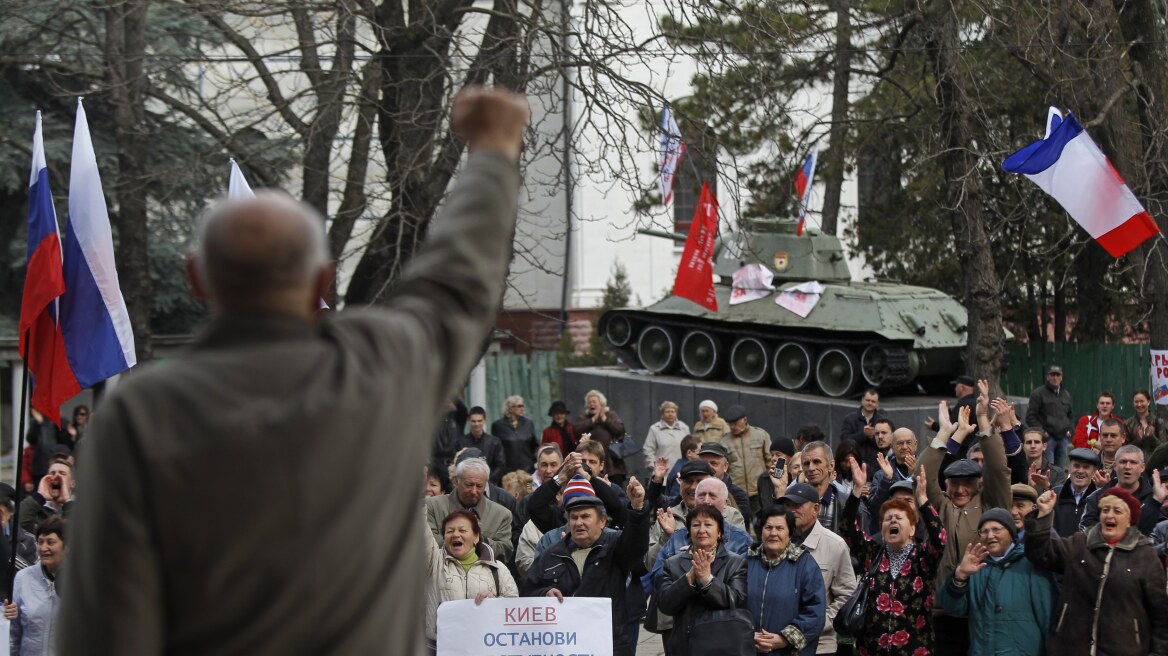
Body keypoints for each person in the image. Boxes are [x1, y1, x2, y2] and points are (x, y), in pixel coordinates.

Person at [58, 87, 529, 656]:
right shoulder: (380, 369)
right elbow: (457, 283)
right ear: (321, 281)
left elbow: (106, 627)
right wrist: (494, 153)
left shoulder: (140, 416)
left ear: (197, 280)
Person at [919, 388, 1013, 656]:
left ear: (979, 483)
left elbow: (999, 469)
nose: (960, 490)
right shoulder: (939, 506)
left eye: (967, 484)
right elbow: (922, 475)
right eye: (954, 484)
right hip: (943, 610)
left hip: (984, 606)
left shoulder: (991, 504)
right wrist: (944, 433)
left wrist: (984, 422)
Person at [1026, 486, 1168, 656]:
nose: (1109, 515)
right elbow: (1040, 553)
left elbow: (1160, 615)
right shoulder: (1079, 544)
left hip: (1124, 649)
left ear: (1129, 520)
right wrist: (1044, 515)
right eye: (1105, 510)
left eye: (1117, 511)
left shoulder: (1145, 555)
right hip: (1070, 647)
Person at [521, 475, 649, 656]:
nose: (578, 522)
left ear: (602, 522)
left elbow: (636, 544)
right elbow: (527, 591)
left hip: (610, 644)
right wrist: (545, 593)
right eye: (574, 517)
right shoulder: (552, 554)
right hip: (564, 646)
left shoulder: (615, 547)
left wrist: (637, 508)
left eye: (585, 516)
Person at [841, 465, 944, 655]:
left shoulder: (923, 557)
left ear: (913, 529)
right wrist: (857, 490)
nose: (893, 521)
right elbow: (847, 526)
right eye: (888, 519)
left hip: (915, 649)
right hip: (871, 649)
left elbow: (940, 539)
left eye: (899, 518)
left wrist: (922, 500)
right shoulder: (872, 554)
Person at [936, 508, 1057, 655]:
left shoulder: (1031, 563)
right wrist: (960, 576)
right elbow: (954, 608)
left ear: (1011, 533)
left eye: (996, 530)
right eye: (984, 531)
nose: (990, 535)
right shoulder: (975, 566)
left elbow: (1048, 615)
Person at [657, 505, 751, 656]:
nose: (701, 530)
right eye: (695, 525)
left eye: (708, 524)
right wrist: (690, 577)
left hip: (723, 644)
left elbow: (736, 600)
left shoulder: (736, 562)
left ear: (719, 532)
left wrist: (707, 580)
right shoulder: (672, 563)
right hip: (685, 644)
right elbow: (665, 605)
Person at [423, 509, 518, 651]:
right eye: (449, 531)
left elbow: (514, 610)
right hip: (438, 649)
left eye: (462, 530)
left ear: (476, 537)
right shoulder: (433, 564)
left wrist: (496, 602)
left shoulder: (498, 569)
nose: (456, 534)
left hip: (485, 648)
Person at [778, 483, 856, 655]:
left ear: (816, 509)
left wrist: (819, 621)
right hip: (777, 642)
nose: (791, 510)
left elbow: (847, 594)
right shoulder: (775, 542)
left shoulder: (835, 545)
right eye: (788, 505)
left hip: (819, 644)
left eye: (797, 505)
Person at [745, 507, 825, 656]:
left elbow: (815, 613)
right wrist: (746, 635)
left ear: (790, 533)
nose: (773, 533)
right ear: (761, 531)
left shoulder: (805, 565)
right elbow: (732, 605)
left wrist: (784, 639)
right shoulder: (745, 561)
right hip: (747, 649)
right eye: (768, 527)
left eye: (780, 528)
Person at [425, 457, 515, 563]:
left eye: (479, 486)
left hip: (483, 576)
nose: (473, 491)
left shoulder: (501, 514)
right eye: (469, 485)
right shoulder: (432, 506)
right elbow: (426, 542)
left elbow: (505, 551)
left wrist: (479, 539)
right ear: (456, 481)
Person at [4, 516, 66, 656]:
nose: (43, 548)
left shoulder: (79, 581)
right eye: (40, 542)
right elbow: (13, 633)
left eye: (50, 542)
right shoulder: (23, 577)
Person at [1079, 443, 1160, 534]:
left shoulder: (1153, 499)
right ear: (1115, 466)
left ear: (1142, 467)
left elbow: (1157, 534)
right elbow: (1085, 530)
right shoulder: (1096, 497)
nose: (1127, 467)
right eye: (1123, 462)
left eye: (1133, 462)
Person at [720, 405, 770, 517]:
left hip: (759, 490)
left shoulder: (760, 435)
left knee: (760, 521)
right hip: (737, 492)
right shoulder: (724, 442)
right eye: (730, 424)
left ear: (745, 420)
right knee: (741, 521)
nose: (732, 427)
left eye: (735, 423)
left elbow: (770, 460)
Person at [573, 390, 629, 481]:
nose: (591, 404)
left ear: (602, 404)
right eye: (589, 402)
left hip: (613, 465)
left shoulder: (610, 415)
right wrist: (593, 419)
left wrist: (604, 418)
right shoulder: (583, 418)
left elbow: (620, 430)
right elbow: (576, 430)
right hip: (591, 464)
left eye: (594, 402)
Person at [1025, 365, 1073, 467]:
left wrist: (1069, 431)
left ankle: (1059, 483)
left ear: (1061, 377)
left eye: (1057, 375)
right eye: (1052, 375)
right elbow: (1030, 417)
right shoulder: (1038, 394)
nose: (1055, 378)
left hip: (1063, 439)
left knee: (1060, 470)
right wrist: (1043, 433)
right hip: (1048, 439)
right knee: (1048, 469)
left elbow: (1070, 415)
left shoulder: (1066, 394)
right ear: (1047, 377)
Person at [799, 441, 849, 535]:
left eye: (816, 462)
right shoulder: (794, 501)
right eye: (806, 463)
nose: (811, 468)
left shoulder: (845, 503)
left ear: (831, 466)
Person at [1050, 447, 1100, 536]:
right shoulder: (1054, 495)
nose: (1080, 471)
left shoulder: (1099, 499)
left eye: (1086, 467)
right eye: (1076, 466)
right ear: (1069, 468)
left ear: (1093, 472)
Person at [19, 457, 74, 536]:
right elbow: (15, 524)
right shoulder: (35, 510)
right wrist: (39, 496)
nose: (56, 477)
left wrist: (67, 502)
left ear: (73, 483)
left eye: (62, 473)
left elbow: (78, 533)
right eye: (52, 473)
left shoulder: (82, 509)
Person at [491, 395, 540, 476]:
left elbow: (534, 446)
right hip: (507, 473)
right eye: (519, 406)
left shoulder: (528, 423)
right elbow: (496, 450)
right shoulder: (498, 425)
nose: (522, 408)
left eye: (523, 405)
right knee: (509, 489)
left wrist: (535, 462)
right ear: (510, 408)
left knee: (529, 488)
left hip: (528, 472)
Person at [459, 406, 507, 485]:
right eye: (473, 421)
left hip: (490, 483)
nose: (476, 424)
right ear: (468, 420)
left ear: (485, 420)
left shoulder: (495, 442)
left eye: (479, 421)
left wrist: (487, 480)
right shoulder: (461, 442)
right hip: (467, 484)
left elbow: (500, 465)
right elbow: (458, 465)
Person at [841, 389, 886, 472]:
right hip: (853, 465)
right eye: (867, 400)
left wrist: (872, 437)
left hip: (876, 467)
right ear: (862, 400)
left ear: (877, 404)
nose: (870, 403)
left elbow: (887, 443)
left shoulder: (882, 421)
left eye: (873, 401)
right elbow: (844, 440)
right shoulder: (850, 419)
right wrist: (863, 434)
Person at [644, 401, 690, 467]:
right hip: (662, 470)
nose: (670, 414)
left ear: (676, 413)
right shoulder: (655, 429)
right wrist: (653, 466)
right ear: (662, 414)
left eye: (672, 412)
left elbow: (690, 449)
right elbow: (648, 450)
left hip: (682, 469)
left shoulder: (684, 428)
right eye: (667, 412)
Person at [1126, 389, 1166, 463]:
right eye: (1136, 402)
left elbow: (1164, 448)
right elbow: (1125, 449)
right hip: (1134, 464)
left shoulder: (1158, 422)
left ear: (1148, 402)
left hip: (1155, 464)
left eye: (1142, 401)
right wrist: (1137, 440)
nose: (1139, 404)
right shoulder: (1128, 423)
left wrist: (1152, 438)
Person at [1022, 427, 1066, 493]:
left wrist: (1047, 487)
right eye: (1029, 442)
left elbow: (1059, 500)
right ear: (1023, 446)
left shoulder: (1057, 473)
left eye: (1037, 442)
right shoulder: (1015, 472)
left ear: (1044, 446)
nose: (1033, 446)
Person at [433, 399, 467, 471]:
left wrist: (451, 391)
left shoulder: (458, 419)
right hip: (435, 466)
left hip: (454, 465)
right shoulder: (433, 419)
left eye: (449, 402)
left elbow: (462, 407)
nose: (446, 404)